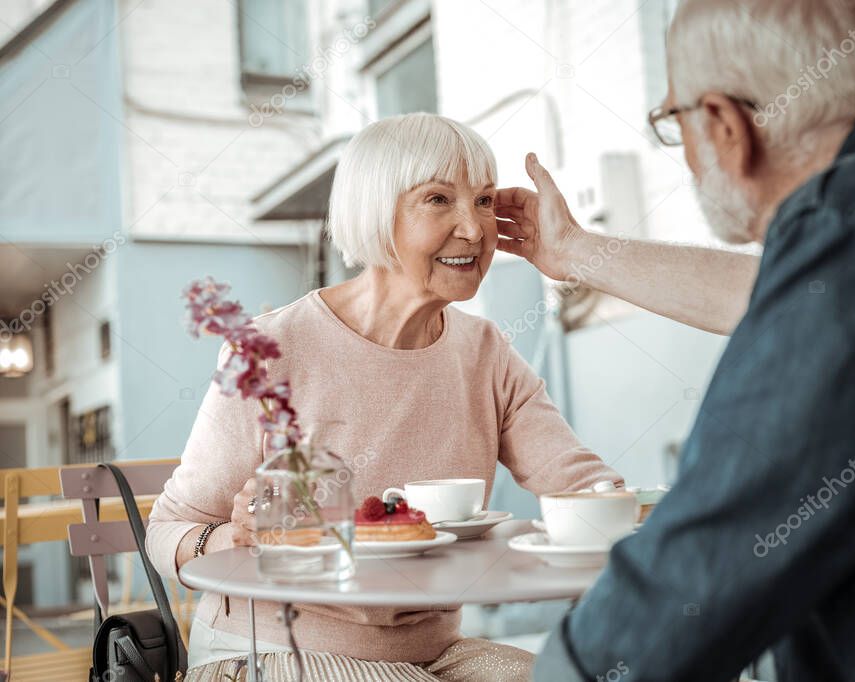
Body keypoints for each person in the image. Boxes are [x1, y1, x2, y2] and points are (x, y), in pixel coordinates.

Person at [497, 1, 855, 680]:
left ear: (724, 124)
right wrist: (574, 251)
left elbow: (703, 565)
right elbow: (766, 294)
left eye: (671, 122)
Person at [146, 112, 623, 681]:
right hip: (268, 650)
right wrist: (231, 536)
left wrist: (654, 513)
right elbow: (167, 531)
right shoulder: (273, 347)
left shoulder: (485, 351)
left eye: (484, 201)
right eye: (439, 199)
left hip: (435, 655)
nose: (474, 229)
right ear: (376, 212)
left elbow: (581, 486)